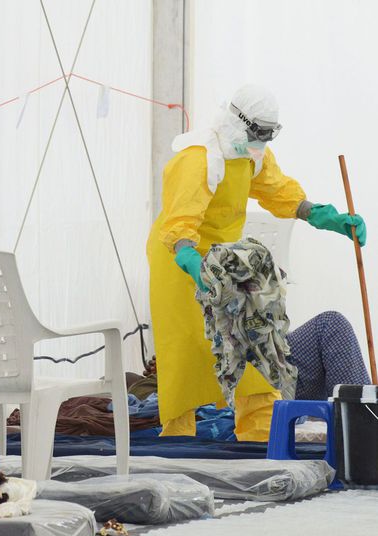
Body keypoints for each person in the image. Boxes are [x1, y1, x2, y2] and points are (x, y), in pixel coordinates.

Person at [147, 84, 367, 441]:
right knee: (188, 348)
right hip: (178, 261)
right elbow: (179, 222)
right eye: (257, 132)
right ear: (237, 121)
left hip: (227, 262)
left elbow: (279, 192)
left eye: (267, 135)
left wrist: (325, 216)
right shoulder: (196, 159)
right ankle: (178, 437)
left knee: (247, 344)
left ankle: (261, 432)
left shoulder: (253, 156)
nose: (260, 141)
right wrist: (189, 259)